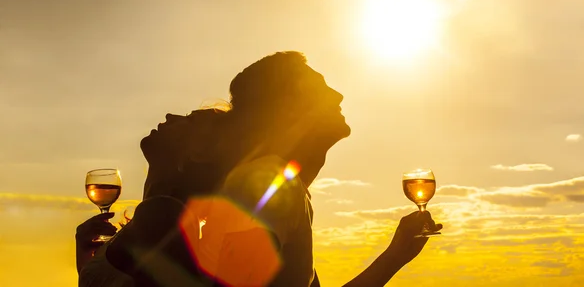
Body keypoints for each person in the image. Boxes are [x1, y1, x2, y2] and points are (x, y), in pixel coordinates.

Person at [77, 51, 442, 286]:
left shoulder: (283, 187)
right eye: (319, 88)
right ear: (286, 110)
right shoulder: (268, 183)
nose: (338, 96)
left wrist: (395, 255)